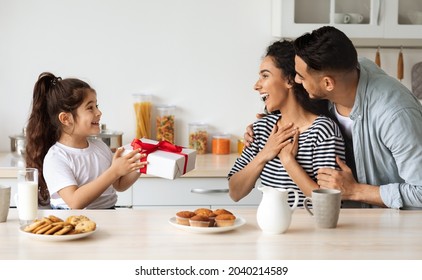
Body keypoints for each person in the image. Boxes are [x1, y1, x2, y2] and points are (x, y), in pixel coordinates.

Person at [245, 26, 422, 209]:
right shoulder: (342, 78)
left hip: (400, 224)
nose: (297, 81)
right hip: (355, 218)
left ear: (328, 83)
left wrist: (356, 191)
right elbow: (302, 106)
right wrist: (267, 121)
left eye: (301, 77)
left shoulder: (395, 115)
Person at [228, 40, 346, 207]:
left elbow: (328, 204)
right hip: (271, 228)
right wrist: (265, 153)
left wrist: (288, 161)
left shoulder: (323, 131)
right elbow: (235, 192)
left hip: (312, 231)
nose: (256, 85)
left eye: (265, 75)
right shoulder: (262, 128)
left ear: (290, 80)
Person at [25, 72, 145, 209]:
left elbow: (119, 185)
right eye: (90, 107)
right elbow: (75, 202)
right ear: (66, 119)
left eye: (97, 106)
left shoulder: (100, 147)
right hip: (71, 223)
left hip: (109, 216)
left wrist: (141, 163)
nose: (99, 113)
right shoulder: (56, 157)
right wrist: (114, 171)